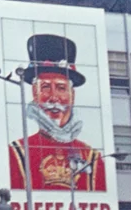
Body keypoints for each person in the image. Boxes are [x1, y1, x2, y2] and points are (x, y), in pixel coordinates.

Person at [9, 34, 106, 191]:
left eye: (61, 88)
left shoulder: (91, 156)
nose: (54, 98)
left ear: (72, 96)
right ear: (34, 93)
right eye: (46, 87)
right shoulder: (16, 152)